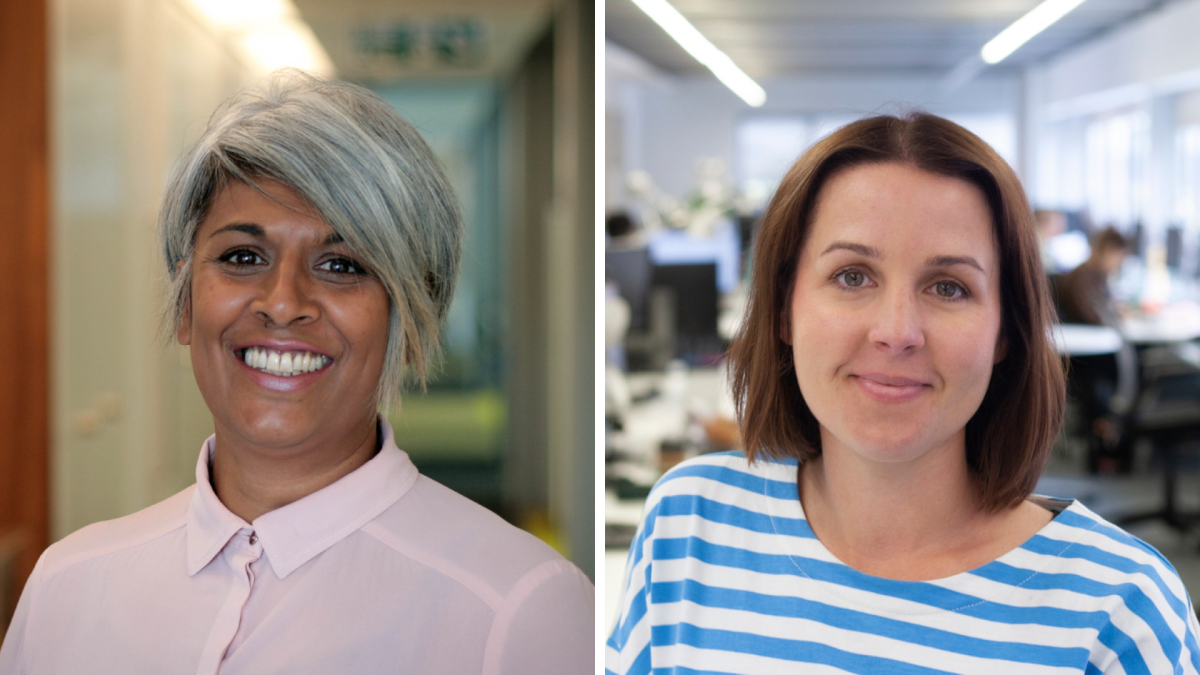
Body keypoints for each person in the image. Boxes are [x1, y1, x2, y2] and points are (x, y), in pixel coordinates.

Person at [0, 71, 593, 674]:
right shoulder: (66, 586)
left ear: (412, 321)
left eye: (341, 264)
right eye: (243, 257)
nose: (283, 303)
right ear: (184, 303)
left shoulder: (519, 606)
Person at [606, 113, 1200, 673]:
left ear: (1006, 332)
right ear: (784, 309)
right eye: (851, 276)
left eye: (948, 287)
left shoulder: (1120, 606)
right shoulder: (687, 525)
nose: (896, 333)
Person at [1055, 226, 1129, 326]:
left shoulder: (1097, 276)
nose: (1119, 264)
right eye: (1118, 257)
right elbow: (1090, 317)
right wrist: (1114, 316)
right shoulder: (1081, 278)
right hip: (1081, 335)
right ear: (1108, 251)